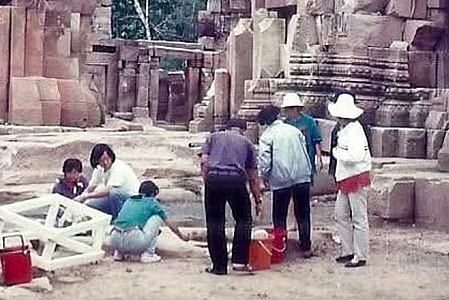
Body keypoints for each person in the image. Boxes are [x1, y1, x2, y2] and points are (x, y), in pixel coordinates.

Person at [200, 118, 262, 276]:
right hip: (236, 179)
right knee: (244, 219)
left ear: (226, 127)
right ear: (243, 129)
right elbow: (253, 177)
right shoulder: (247, 144)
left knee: (214, 222)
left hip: (214, 178)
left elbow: (204, 161)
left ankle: (219, 266)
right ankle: (239, 261)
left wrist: (207, 181)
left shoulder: (212, 137)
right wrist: (257, 200)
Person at [256, 105, 314, 257]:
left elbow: (264, 160)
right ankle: (306, 246)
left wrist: (263, 177)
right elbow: (304, 149)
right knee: (303, 212)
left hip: (281, 178)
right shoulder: (293, 130)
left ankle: (280, 247)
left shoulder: (267, 136)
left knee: (279, 215)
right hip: (302, 176)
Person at [328, 93, 373, 268]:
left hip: (355, 176)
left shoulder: (355, 130)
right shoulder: (344, 129)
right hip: (346, 177)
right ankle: (348, 250)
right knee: (341, 215)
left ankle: (360, 254)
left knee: (358, 217)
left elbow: (356, 155)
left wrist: (337, 153)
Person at [109, 180, 187, 263]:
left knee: (128, 224)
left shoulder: (129, 200)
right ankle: (149, 254)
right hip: (134, 240)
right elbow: (170, 224)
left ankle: (119, 253)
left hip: (115, 239)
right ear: (153, 194)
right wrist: (182, 236)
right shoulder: (152, 202)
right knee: (157, 217)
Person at [76, 144, 140, 217]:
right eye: (101, 160)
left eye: (106, 159)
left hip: (131, 199)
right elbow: (91, 187)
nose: (105, 162)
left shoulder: (118, 167)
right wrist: (81, 198)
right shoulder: (99, 169)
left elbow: (108, 190)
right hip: (114, 200)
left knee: (114, 193)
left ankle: (119, 219)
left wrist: (86, 196)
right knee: (90, 205)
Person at [280, 93, 324, 179]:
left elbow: (316, 141)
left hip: (307, 159)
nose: (286, 112)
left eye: (288, 109)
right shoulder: (285, 123)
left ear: (295, 109)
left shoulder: (309, 121)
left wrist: (319, 159)